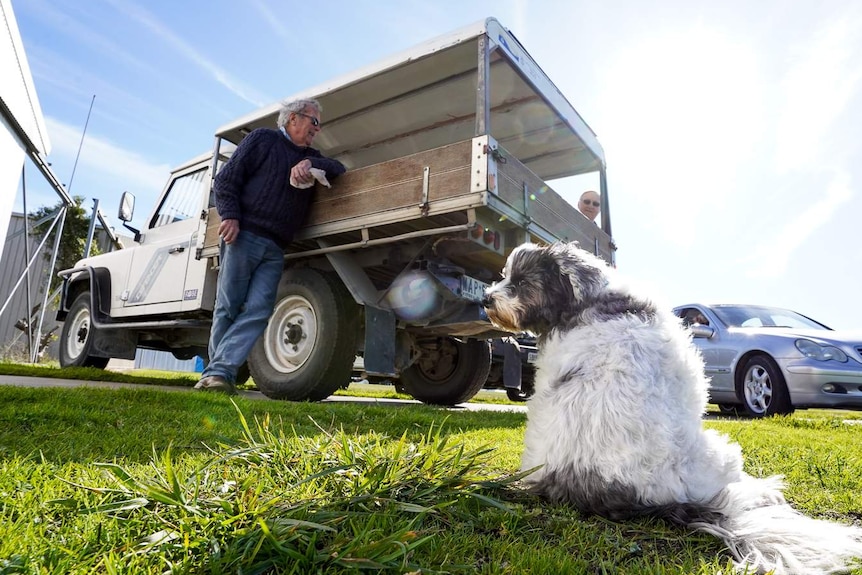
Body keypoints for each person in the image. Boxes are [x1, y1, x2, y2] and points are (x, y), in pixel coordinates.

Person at [195, 98, 346, 394]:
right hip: (243, 236)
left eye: (318, 123)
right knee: (228, 306)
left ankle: (217, 373)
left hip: (276, 246)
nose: (318, 128)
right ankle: (218, 374)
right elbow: (225, 181)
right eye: (313, 121)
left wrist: (311, 163)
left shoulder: (311, 156)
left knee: (261, 309)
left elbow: (337, 167)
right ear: (293, 119)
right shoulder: (263, 139)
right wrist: (231, 217)